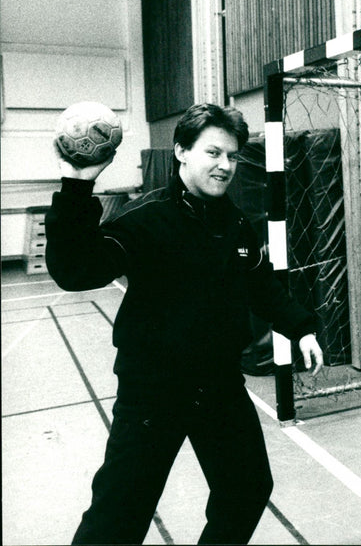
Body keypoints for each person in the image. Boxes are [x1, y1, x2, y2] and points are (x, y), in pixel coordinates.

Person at [46, 103, 324, 545]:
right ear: (181, 151)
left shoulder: (234, 222)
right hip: (153, 390)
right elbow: (76, 270)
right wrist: (77, 186)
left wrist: (302, 326)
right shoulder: (145, 217)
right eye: (213, 153)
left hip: (218, 386)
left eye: (232, 156)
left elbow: (260, 285)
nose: (225, 165)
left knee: (247, 488)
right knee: (120, 510)